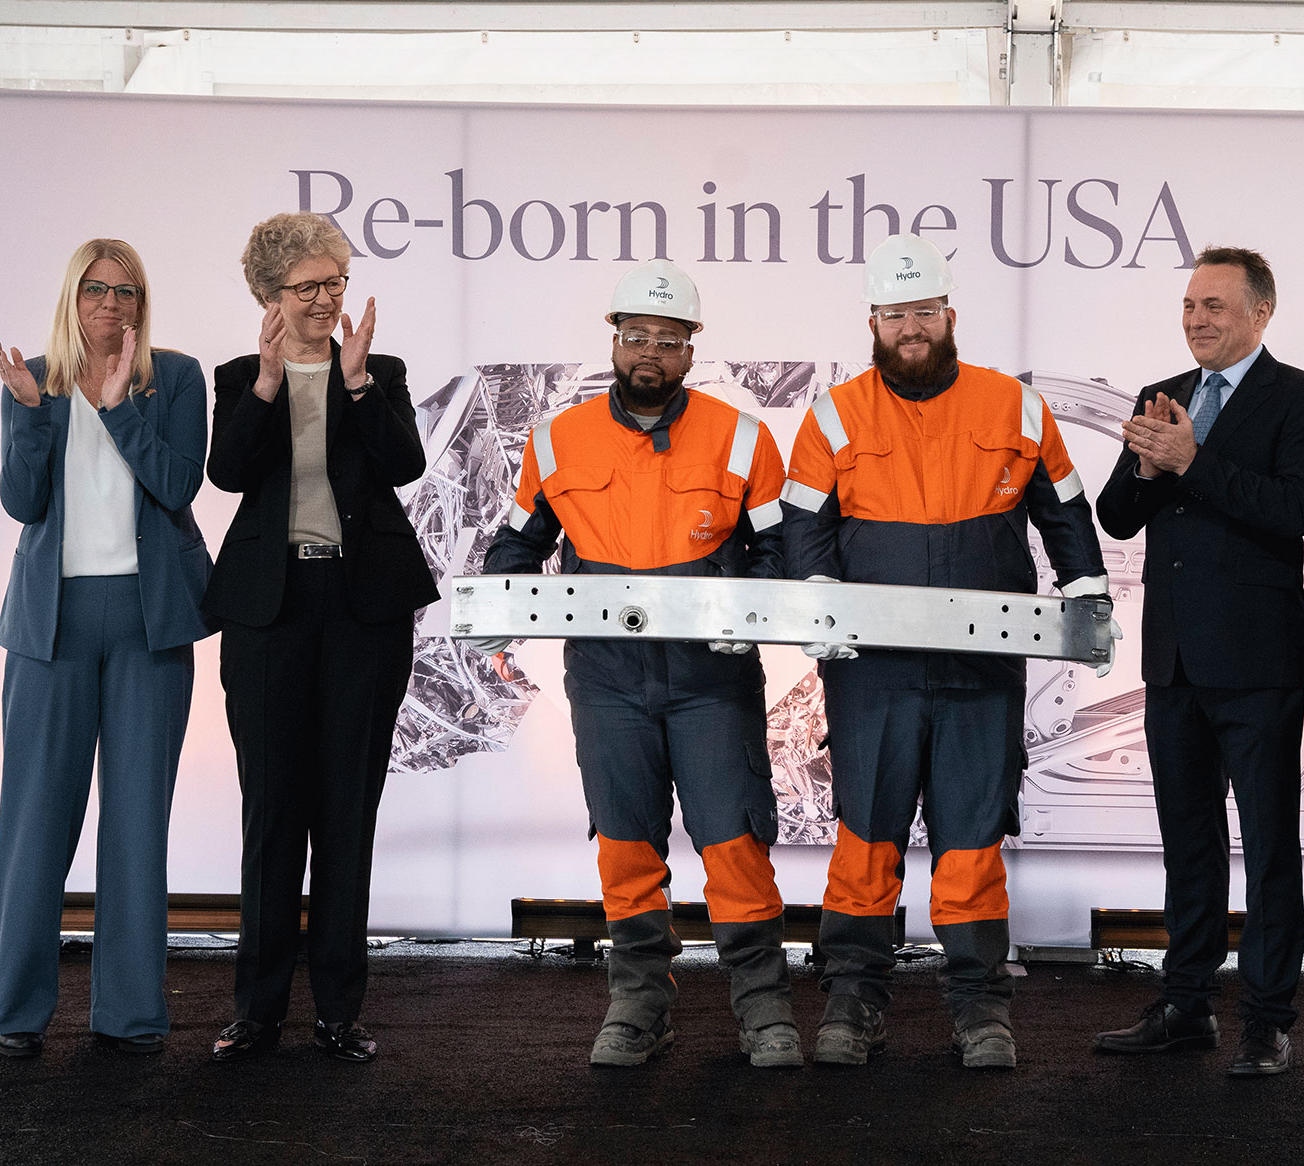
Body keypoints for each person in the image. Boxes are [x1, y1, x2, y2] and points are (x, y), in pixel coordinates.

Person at [779, 233, 1109, 1070]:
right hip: (872, 672)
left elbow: (1065, 511)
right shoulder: (833, 414)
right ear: (874, 322)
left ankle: (980, 1008)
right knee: (867, 837)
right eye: (896, 316)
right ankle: (852, 1000)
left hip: (980, 669)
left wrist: (1087, 597)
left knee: (970, 841)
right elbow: (802, 527)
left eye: (924, 312)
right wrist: (817, 601)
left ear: (949, 315)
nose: (911, 329)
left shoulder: (1015, 407)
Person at [478, 259, 802, 1069]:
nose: (649, 352)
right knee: (625, 841)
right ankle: (639, 1001)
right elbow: (521, 541)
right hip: (607, 678)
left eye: (667, 338)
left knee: (733, 840)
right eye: (635, 337)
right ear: (614, 342)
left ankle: (763, 1006)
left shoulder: (742, 436)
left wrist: (740, 610)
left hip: (710, 680)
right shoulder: (557, 439)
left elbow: (777, 551)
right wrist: (491, 604)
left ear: (692, 350)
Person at [1091, 246, 1304, 1076]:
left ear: (1261, 314)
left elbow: (1293, 511)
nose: (1197, 319)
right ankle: (1186, 1003)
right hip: (1173, 660)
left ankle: (1267, 1019)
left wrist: (1193, 461)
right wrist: (1143, 460)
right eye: (1191, 306)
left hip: (1258, 662)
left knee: (1270, 848)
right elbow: (1118, 518)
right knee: (1186, 841)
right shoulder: (1162, 397)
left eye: (1215, 307)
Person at [202, 212, 439, 1063]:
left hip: (363, 608)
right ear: (269, 295)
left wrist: (359, 380)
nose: (326, 298)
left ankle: (339, 1009)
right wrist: (270, 384)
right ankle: (256, 1011)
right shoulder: (237, 377)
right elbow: (227, 472)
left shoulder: (381, 371)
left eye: (335, 282)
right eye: (308, 287)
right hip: (268, 609)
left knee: (347, 810)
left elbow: (406, 465)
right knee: (272, 811)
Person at [0, 239, 212, 1058]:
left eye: (126, 291)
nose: (110, 304)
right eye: (95, 289)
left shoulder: (175, 377)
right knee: (36, 818)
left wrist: (119, 409)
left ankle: (129, 1013)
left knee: (137, 821)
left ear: (142, 303)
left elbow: (181, 487)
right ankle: (15, 1011)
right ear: (72, 297)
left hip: (151, 619)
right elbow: (21, 501)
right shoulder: (33, 377)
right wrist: (29, 419)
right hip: (52, 622)